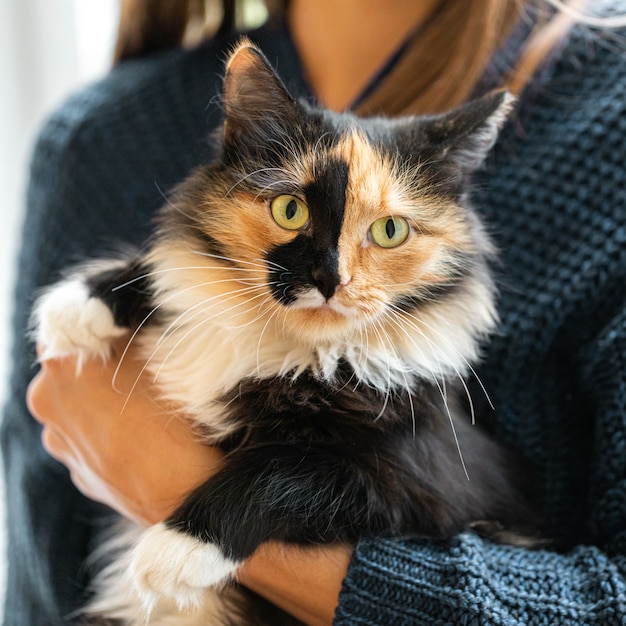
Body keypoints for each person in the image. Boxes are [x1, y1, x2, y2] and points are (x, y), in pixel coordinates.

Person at [4, 0, 626, 623]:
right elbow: (38, 584)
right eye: (290, 211)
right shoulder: (92, 142)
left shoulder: (609, 115)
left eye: (385, 234)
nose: (336, 280)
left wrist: (182, 492)